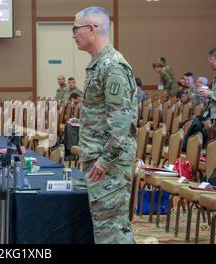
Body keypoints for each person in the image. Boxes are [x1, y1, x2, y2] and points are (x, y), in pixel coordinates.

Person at [72, 6, 137, 244]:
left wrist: (105, 160)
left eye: (75, 28)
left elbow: (120, 124)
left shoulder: (112, 66)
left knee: (112, 232)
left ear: (91, 29)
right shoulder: (99, 64)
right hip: (100, 160)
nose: (73, 34)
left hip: (108, 163)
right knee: (105, 229)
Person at [63, 92, 82, 157]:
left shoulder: (83, 105)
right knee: (67, 126)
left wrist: (76, 120)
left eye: (73, 100)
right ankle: (68, 149)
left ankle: (72, 151)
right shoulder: (75, 105)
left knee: (70, 127)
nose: (72, 102)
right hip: (78, 123)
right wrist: (72, 120)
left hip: (85, 125)